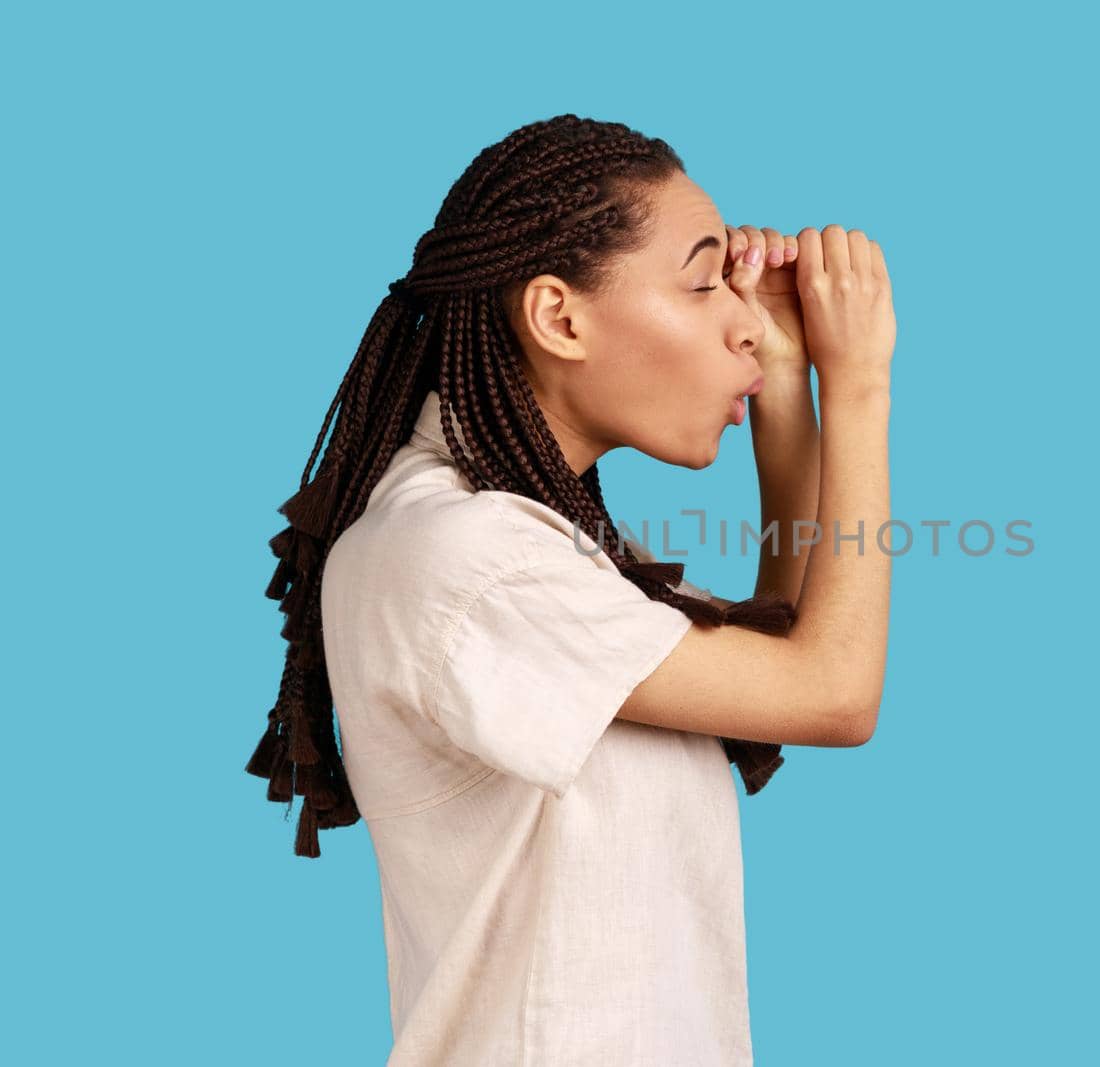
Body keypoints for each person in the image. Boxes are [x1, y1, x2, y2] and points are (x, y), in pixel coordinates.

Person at [244, 113, 895, 1065]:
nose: (742, 317)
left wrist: (788, 378)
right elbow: (833, 692)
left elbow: (784, 666)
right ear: (560, 316)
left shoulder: (543, 543)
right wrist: (863, 385)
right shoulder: (467, 557)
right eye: (704, 281)